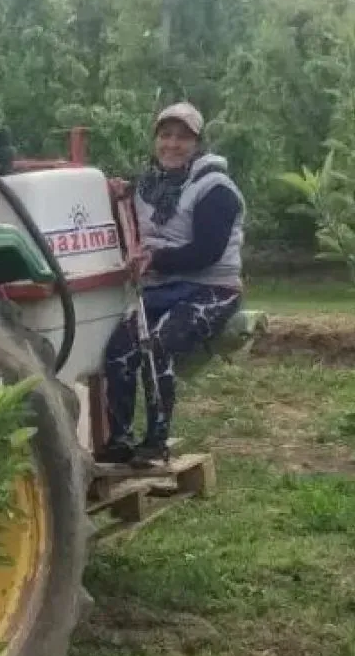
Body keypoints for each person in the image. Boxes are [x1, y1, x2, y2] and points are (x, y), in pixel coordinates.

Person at [96, 102, 245, 465]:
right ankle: (118, 441)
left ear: (198, 144)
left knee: (157, 344)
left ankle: (156, 442)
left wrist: (156, 259)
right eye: (166, 136)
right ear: (155, 140)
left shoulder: (215, 188)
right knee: (119, 347)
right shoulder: (148, 186)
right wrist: (112, 194)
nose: (172, 145)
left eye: (183, 138)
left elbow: (207, 252)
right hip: (162, 288)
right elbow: (128, 220)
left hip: (213, 288)